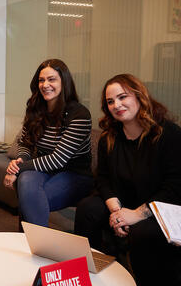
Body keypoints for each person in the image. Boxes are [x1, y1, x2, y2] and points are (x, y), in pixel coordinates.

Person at [74, 74, 181, 285]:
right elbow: (103, 179)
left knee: (142, 232)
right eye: (110, 101)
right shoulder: (109, 138)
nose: (117, 105)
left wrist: (137, 214)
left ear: (140, 96)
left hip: (161, 206)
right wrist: (116, 211)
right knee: (88, 208)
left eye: (123, 97)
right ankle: (88, 272)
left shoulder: (169, 134)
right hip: (124, 203)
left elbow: (174, 187)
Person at [3, 58, 93, 228]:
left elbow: (58, 159)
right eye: (41, 80)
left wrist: (16, 169)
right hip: (44, 171)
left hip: (74, 174)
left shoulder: (79, 114)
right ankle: (35, 245)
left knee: (28, 196)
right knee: (26, 181)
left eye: (52, 79)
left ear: (64, 82)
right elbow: (25, 142)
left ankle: (34, 246)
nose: (45, 85)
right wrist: (21, 159)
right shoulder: (36, 108)